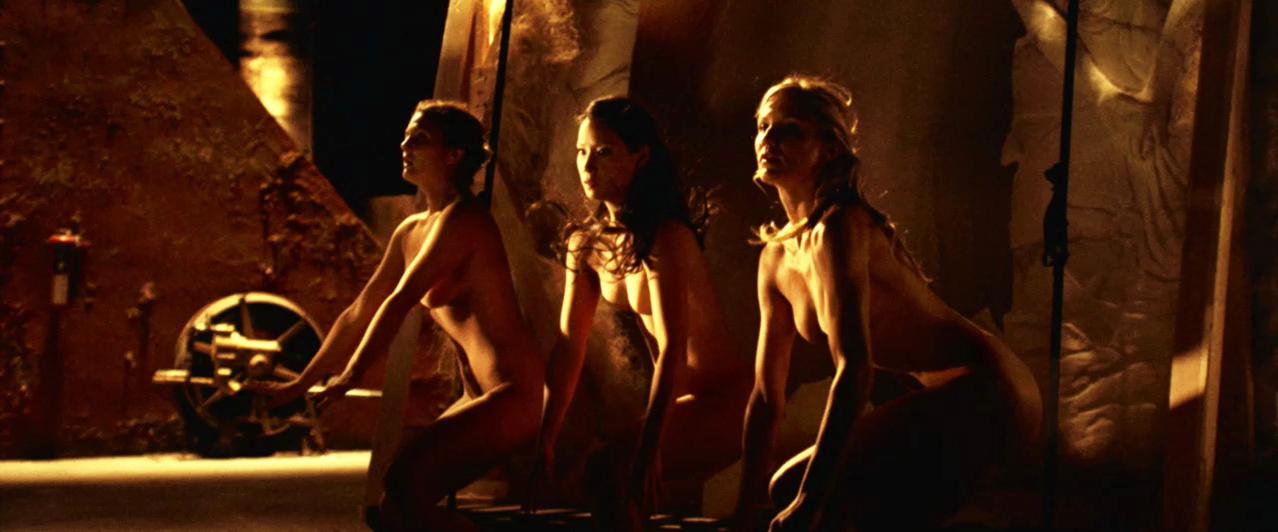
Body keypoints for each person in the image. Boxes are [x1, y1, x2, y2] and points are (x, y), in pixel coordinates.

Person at [734, 76, 1042, 531]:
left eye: (790, 130)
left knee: (807, 494)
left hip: (991, 389)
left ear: (829, 148)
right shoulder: (775, 259)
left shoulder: (840, 227)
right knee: (784, 490)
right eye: (763, 127)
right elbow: (765, 396)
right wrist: (744, 510)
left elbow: (855, 369)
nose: (769, 140)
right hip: (946, 401)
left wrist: (809, 502)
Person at [261, 101, 543, 530]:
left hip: (514, 394)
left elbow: (399, 301)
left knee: (406, 486)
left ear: (454, 156)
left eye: (420, 139)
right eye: (407, 137)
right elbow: (360, 310)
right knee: (390, 510)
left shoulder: (465, 221)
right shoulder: (410, 231)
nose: (404, 146)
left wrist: (352, 375)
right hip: (477, 396)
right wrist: (301, 382)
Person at [536, 96, 752, 530]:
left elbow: (673, 347)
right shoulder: (587, 243)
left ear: (641, 157)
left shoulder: (665, 236)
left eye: (604, 152)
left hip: (727, 402)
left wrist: (650, 447)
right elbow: (570, 345)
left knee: (609, 470)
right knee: (602, 474)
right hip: (684, 400)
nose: (587, 165)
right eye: (581, 152)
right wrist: (546, 437)